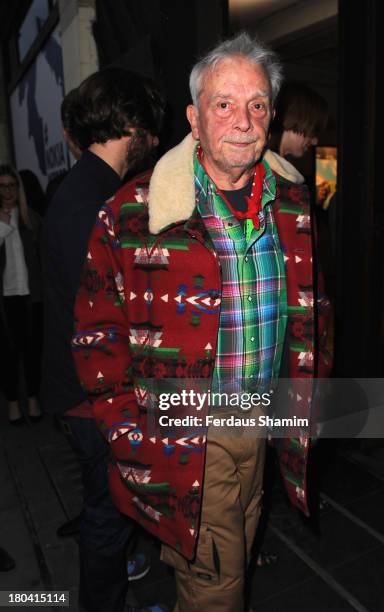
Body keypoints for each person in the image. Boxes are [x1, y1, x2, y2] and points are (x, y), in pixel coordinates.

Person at [72, 33, 327, 611]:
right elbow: (96, 335)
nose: (244, 120)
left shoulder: (291, 201)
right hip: (189, 433)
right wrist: (129, 430)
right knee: (217, 585)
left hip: (260, 419)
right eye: (224, 104)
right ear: (193, 117)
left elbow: (310, 310)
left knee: (236, 545)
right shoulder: (132, 214)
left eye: (257, 104)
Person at [41, 68, 166, 612]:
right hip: (94, 394)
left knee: (112, 512)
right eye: (149, 128)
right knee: (107, 517)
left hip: (88, 389)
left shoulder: (89, 188)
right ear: (129, 122)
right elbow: (106, 309)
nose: (154, 141)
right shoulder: (95, 199)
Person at [0, 164, 43, 424]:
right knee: (7, 353)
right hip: (4, 300)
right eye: (2, 186)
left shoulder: (31, 218)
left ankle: (33, 398)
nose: (7, 191)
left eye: (11, 185)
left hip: (31, 297)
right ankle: (13, 403)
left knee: (32, 351)